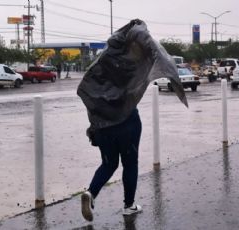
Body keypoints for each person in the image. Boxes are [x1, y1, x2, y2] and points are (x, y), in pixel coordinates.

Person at [77, 19, 187, 222]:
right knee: (130, 163)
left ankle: (91, 193)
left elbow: (87, 86)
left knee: (108, 164)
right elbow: (157, 56)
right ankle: (129, 205)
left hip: (102, 124)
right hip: (127, 121)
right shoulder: (132, 63)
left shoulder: (105, 59)